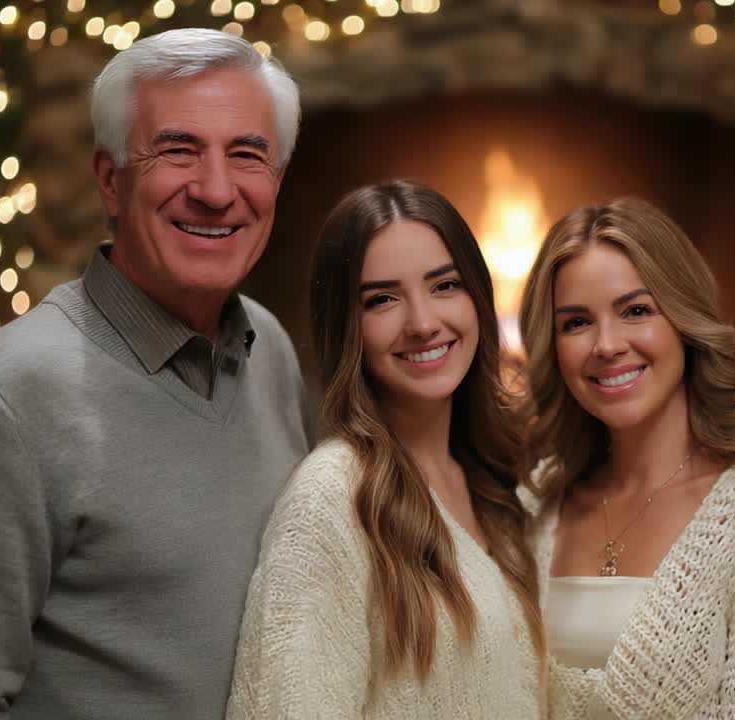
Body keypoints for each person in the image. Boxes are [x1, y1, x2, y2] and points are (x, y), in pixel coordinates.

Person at [0, 28, 309, 719]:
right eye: (178, 150)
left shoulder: (273, 352)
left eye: (247, 155)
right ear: (111, 180)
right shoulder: (10, 400)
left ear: (278, 180)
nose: (215, 189)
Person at [226, 181, 544, 719]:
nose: (422, 323)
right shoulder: (331, 500)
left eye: (445, 286)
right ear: (347, 326)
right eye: (383, 299)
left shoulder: (496, 486)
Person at [517, 198, 735, 718]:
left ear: (685, 321)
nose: (607, 345)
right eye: (576, 323)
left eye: (636, 311)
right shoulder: (537, 501)